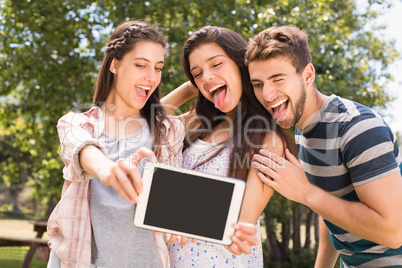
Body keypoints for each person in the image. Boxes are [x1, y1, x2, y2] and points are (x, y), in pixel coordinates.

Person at [246, 25, 402, 267]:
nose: (267, 94)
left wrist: (306, 192)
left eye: (277, 78)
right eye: (258, 84)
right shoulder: (304, 130)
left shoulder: (358, 128)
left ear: (308, 75)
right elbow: (330, 205)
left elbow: (392, 233)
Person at [46, 20, 185, 268]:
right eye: (141, 65)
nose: (151, 77)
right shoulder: (76, 124)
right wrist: (109, 171)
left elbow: (171, 207)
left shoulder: (168, 131)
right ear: (115, 64)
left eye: (158, 67)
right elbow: (84, 151)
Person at [162, 26, 295, 267]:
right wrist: (191, 88)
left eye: (216, 64)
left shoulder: (267, 139)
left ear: (240, 65)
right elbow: (145, 125)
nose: (207, 77)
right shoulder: (196, 123)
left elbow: (242, 223)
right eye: (197, 73)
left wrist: (169, 206)